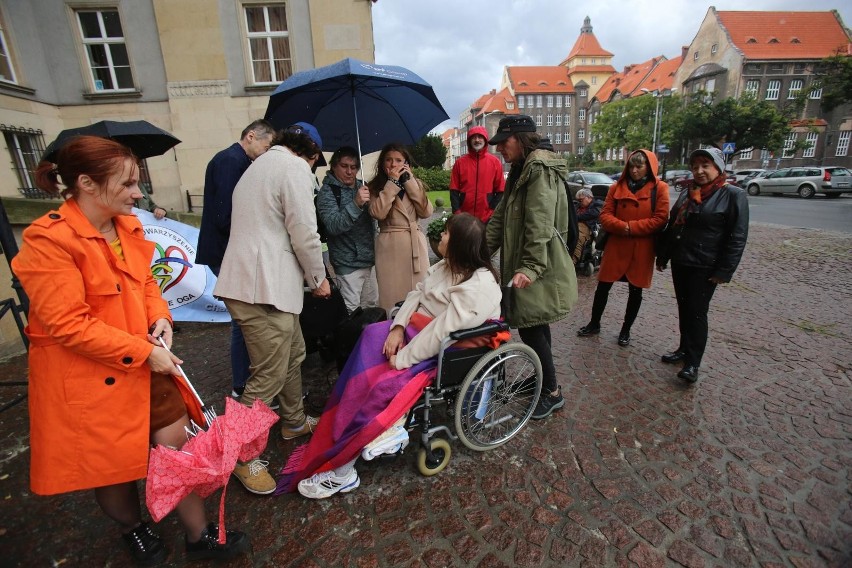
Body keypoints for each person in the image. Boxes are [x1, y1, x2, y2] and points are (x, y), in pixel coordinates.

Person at [11, 136, 249, 565]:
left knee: (176, 452)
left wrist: (160, 317)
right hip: (92, 379)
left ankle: (198, 535)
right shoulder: (47, 241)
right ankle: (133, 528)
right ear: (86, 183)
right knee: (112, 467)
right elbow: (67, 324)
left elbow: (147, 284)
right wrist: (145, 353)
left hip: (146, 365)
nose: (138, 193)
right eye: (128, 184)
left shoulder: (129, 227)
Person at [291, 213, 503, 499]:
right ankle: (344, 417)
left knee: (382, 382)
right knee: (369, 336)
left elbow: (441, 332)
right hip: (416, 330)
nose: (440, 236)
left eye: (447, 234)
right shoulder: (446, 266)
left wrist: (404, 358)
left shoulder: (479, 287)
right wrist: (397, 328)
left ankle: (345, 467)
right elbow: (416, 294)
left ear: (461, 245)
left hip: (443, 349)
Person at [213, 122, 331, 495]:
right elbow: (304, 231)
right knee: (267, 374)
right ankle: (239, 456)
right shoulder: (294, 168)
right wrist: (319, 278)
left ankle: (294, 421)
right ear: (311, 155)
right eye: (316, 163)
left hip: (263, 285)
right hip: (261, 287)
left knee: (294, 352)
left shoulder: (261, 163)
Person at [485, 115, 577, 420]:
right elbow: (500, 218)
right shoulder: (521, 169)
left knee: (531, 326)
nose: (499, 150)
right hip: (528, 261)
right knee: (535, 323)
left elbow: (540, 222)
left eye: (503, 143)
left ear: (520, 138)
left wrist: (531, 266)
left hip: (536, 263)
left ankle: (552, 393)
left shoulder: (537, 168)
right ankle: (541, 379)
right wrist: (477, 252)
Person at [196, 119, 276, 398]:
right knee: (244, 320)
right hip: (226, 252)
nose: (266, 154)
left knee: (243, 320)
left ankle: (244, 379)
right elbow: (226, 215)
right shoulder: (231, 161)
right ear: (251, 136)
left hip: (228, 250)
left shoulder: (234, 160)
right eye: (265, 147)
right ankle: (242, 383)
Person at [656, 147, 749, 383]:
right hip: (682, 260)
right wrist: (663, 255)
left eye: (705, 166)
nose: (699, 171)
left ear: (718, 168)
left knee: (697, 313)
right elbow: (674, 226)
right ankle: (683, 349)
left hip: (705, 265)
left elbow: (737, 237)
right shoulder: (690, 192)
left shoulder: (733, 195)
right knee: (684, 308)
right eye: (695, 166)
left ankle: (693, 363)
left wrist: (724, 271)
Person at [577, 149, 670, 347]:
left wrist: (631, 227)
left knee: (635, 291)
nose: (634, 170)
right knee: (603, 286)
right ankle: (594, 323)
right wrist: (623, 227)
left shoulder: (659, 188)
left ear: (649, 167)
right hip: (617, 245)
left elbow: (660, 219)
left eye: (639, 166)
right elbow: (605, 215)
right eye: (632, 166)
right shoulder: (617, 187)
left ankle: (626, 330)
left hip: (642, 248)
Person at [368, 143, 434, 314]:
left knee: (419, 299)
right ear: (382, 164)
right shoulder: (375, 186)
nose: (393, 164)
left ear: (406, 164)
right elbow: (378, 213)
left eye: (398, 160)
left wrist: (410, 183)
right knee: (391, 298)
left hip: (414, 246)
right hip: (389, 248)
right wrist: (391, 185)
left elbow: (426, 212)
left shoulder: (415, 183)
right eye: (388, 160)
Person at [316, 146, 379, 313]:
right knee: (352, 312)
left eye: (353, 167)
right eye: (344, 166)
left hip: (369, 261)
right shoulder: (327, 193)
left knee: (372, 309)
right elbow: (333, 226)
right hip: (348, 264)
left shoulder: (362, 186)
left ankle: (368, 340)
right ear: (334, 166)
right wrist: (356, 204)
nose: (350, 172)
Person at [450, 125, 505, 223]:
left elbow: (500, 190)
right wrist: (457, 212)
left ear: (485, 139)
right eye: (474, 137)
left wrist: (491, 211)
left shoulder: (495, 162)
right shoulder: (460, 163)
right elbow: (454, 189)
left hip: (487, 217)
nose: (477, 140)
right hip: (464, 217)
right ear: (469, 141)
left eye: (480, 137)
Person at [571, 188, 603, 263]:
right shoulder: (577, 205)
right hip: (574, 224)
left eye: (581, 200)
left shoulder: (598, 204)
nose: (579, 202)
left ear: (589, 197)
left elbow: (592, 214)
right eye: (578, 200)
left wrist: (575, 217)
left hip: (587, 227)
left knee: (578, 237)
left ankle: (573, 261)